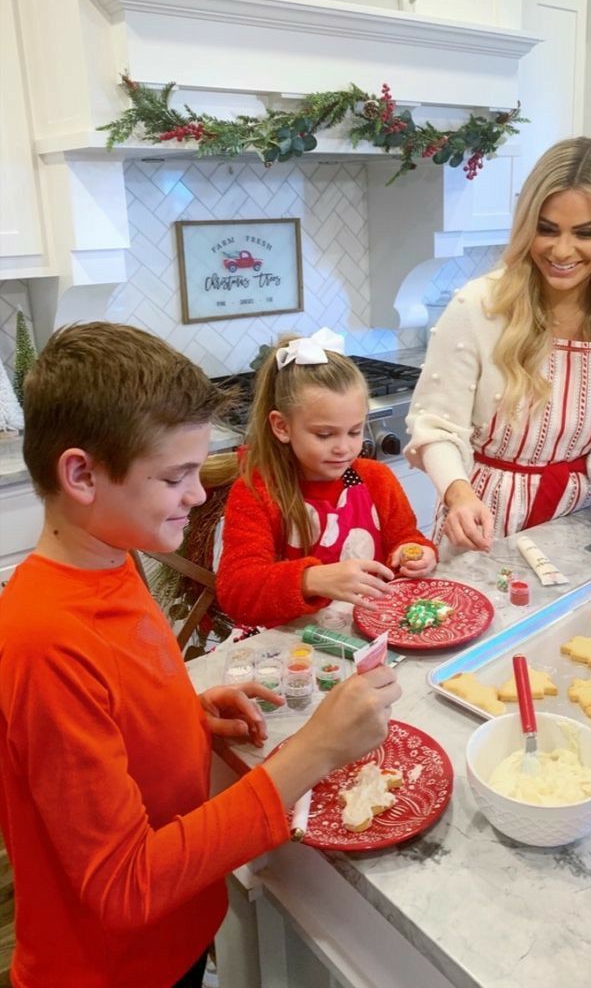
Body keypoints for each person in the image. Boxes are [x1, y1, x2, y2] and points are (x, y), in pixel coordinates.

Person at [0, 322, 401, 988]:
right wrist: (315, 754)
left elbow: (115, 706)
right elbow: (123, 885)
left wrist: (180, 713)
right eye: (177, 475)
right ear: (81, 474)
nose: (195, 493)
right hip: (109, 971)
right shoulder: (43, 641)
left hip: (175, 939)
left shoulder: (109, 557)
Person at [404, 136, 591, 551]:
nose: (562, 250)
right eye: (547, 229)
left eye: (585, 233)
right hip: (482, 522)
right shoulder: (478, 307)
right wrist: (458, 494)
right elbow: (436, 426)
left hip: (580, 524)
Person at [216, 327, 438, 629]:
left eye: (355, 431)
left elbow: (407, 539)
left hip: (372, 631)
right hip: (295, 647)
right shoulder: (258, 491)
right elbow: (236, 593)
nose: (344, 447)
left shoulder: (376, 479)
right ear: (282, 426)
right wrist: (311, 579)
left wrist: (417, 555)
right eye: (324, 434)